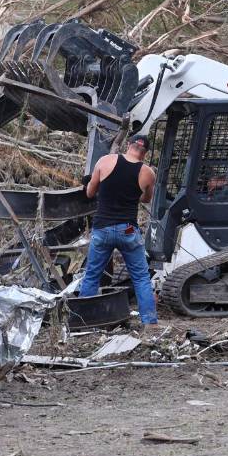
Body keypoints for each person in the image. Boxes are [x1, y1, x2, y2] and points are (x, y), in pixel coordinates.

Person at [80, 134, 160, 331]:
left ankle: (83, 322)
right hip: (128, 229)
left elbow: (90, 193)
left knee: (92, 275)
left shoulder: (105, 161)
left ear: (128, 145)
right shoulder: (148, 172)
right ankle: (149, 322)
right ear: (145, 153)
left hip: (102, 229)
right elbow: (146, 199)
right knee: (141, 277)